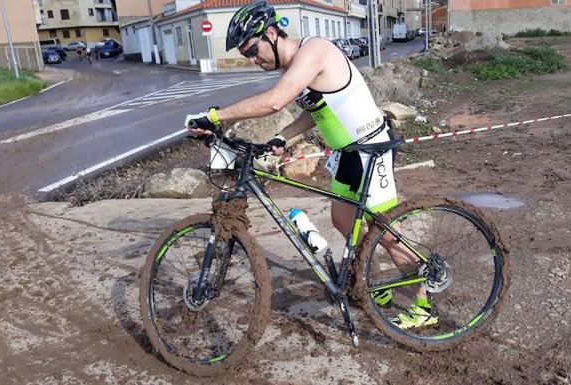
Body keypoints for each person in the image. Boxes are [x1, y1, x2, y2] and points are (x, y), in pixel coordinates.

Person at [185, 0, 436, 329]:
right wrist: (282, 137)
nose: (251, 59)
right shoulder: (298, 67)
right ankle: (375, 291)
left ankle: (422, 305)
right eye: (246, 54)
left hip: (371, 150)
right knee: (343, 222)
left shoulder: (314, 50)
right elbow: (314, 111)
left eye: (252, 49)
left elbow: (276, 100)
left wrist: (215, 115)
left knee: (386, 233)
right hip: (348, 155)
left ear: (271, 33)